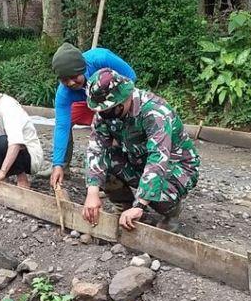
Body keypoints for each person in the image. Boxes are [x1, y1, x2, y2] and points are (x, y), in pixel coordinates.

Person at [81, 68, 200, 231]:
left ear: (125, 98)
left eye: (109, 109)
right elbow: (96, 149)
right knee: (104, 163)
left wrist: (140, 205)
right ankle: (125, 207)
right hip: (137, 159)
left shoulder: (154, 112)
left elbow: (158, 158)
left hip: (175, 166)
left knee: (159, 194)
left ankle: (171, 211)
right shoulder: (105, 113)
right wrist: (92, 192)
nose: (104, 114)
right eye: (101, 111)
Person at [49, 43, 136, 188]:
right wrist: (57, 163)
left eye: (74, 77)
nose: (70, 83)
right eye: (64, 80)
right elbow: (61, 126)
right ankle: (63, 167)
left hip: (110, 97)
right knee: (66, 123)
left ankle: (117, 172)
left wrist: (116, 112)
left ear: (82, 69)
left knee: (113, 130)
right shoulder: (64, 93)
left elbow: (131, 77)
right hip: (83, 100)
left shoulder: (102, 58)